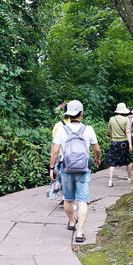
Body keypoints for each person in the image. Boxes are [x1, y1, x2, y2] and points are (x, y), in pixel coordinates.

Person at [48, 100, 101, 243]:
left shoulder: (61, 129)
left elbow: (55, 151)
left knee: (68, 199)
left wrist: (52, 168)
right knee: (83, 200)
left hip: (67, 168)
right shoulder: (88, 129)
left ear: (68, 114)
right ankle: (80, 232)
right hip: (84, 169)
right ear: (81, 113)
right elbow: (97, 149)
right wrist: (97, 159)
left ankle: (72, 221)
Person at [104, 102, 133, 187]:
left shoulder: (111, 119)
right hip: (124, 143)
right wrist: (130, 144)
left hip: (114, 142)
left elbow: (110, 131)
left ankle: (110, 180)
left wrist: (113, 137)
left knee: (112, 162)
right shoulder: (126, 120)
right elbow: (128, 132)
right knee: (127, 161)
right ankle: (129, 178)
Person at [50, 103, 71, 204]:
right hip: (73, 155)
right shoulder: (78, 125)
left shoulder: (58, 125)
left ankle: (62, 196)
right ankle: (68, 197)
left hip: (60, 154)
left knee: (59, 176)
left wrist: (52, 160)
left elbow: (54, 145)